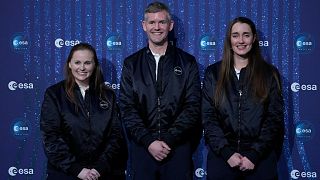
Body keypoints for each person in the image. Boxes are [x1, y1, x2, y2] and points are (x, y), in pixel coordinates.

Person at [119, 2, 201, 180]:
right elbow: (127, 108)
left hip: (177, 149)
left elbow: (192, 106)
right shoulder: (131, 64)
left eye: (162, 22)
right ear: (144, 26)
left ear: (170, 26)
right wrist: (149, 141)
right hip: (143, 149)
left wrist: (169, 139)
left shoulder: (187, 62)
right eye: (152, 22)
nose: (157, 27)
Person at [202, 17, 284, 180]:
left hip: (260, 160)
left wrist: (254, 154)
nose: (241, 40)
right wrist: (227, 153)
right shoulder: (213, 73)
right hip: (223, 158)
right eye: (235, 35)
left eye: (246, 35)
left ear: (253, 39)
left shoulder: (269, 74)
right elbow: (208, 117)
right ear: (229, 39)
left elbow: (273, 119)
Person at [40, 43, 126, 180]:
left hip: (101, 174)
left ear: (94, 65)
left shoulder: (108, 96)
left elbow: (116, 136)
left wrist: (99, 168)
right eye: (77, 62)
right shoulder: (54, 94)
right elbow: (51, 137)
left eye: (87, 63)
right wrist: (77, 169)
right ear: (69, 64)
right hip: (66, 173)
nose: (82, 67)